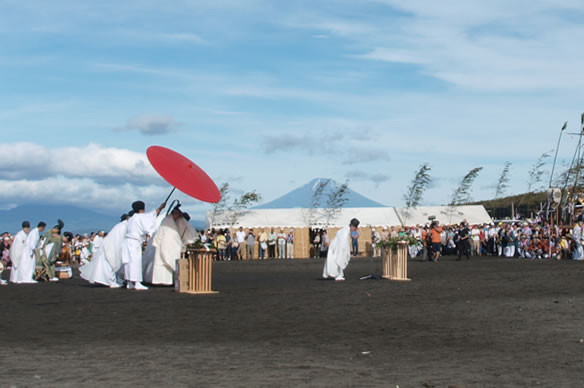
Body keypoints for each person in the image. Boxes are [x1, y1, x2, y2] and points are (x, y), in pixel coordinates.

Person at [143, 205, 197, 285]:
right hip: (163, 244)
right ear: (175, 213)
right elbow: (170, 237)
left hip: (161, 244)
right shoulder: (167, 222)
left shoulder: (169, 221)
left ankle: (163, 280)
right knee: (161, 262)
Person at [122, 200, 166, 290]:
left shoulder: (132, 218)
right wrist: (161, 208)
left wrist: (161, 208)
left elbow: (151, 215)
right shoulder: (140, 217)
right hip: (134, 242)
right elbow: (149, 220)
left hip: (127, 242)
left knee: (129, 262)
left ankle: (129, 282)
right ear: (143, 209)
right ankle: (137, 283)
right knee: (135, 262)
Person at [80, 214, 129, 288]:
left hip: (108, 248)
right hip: (111, 249)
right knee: (110, 265)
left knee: (108, 265)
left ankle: (112, 280)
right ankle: (110, 281)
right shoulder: (123, 226)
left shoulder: (119, 226)